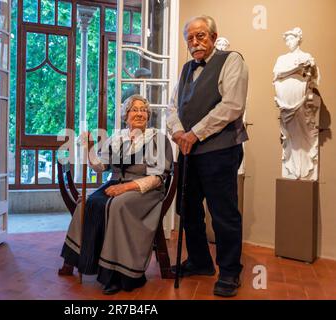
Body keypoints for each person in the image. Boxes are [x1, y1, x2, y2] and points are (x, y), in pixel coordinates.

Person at [167, 15, 248, 297]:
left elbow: (232, 106)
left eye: (200, 36)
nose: (195, 42)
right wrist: (178, 132)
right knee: (187, 210)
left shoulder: (232, 60)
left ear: (213, 37)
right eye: (190, 38)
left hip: (220, 151)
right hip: (188, 151)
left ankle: (229, 271)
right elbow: (172, 107)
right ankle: (200, 261)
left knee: (223, 213)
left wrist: (195, 133)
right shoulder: (186, 69)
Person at [59, 94, 173, 295]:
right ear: (125, 115)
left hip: (145, 190)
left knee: (118, 205)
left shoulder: (158, 138)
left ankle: (117, 275)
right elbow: (100, 167)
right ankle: (80, 260)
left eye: (143, 110)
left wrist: (126, 188)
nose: (139, 113)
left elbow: (158, 178)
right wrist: (91, 148)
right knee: (89, 203)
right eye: (134, 109)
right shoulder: (117, 138)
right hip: (115, 184)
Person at [273, 27, 321, 181]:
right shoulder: (281, 58)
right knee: (291, 136)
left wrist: (310, 67)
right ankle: (293, 167)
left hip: (301, 100)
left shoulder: (307, 56)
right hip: (285, 102)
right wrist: (296, 68)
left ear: (298, 39)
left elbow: (314, 79)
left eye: (291, 39)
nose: (289, 42)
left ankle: (304, 166)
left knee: (303, 133)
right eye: (286, 40)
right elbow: (277, 75)